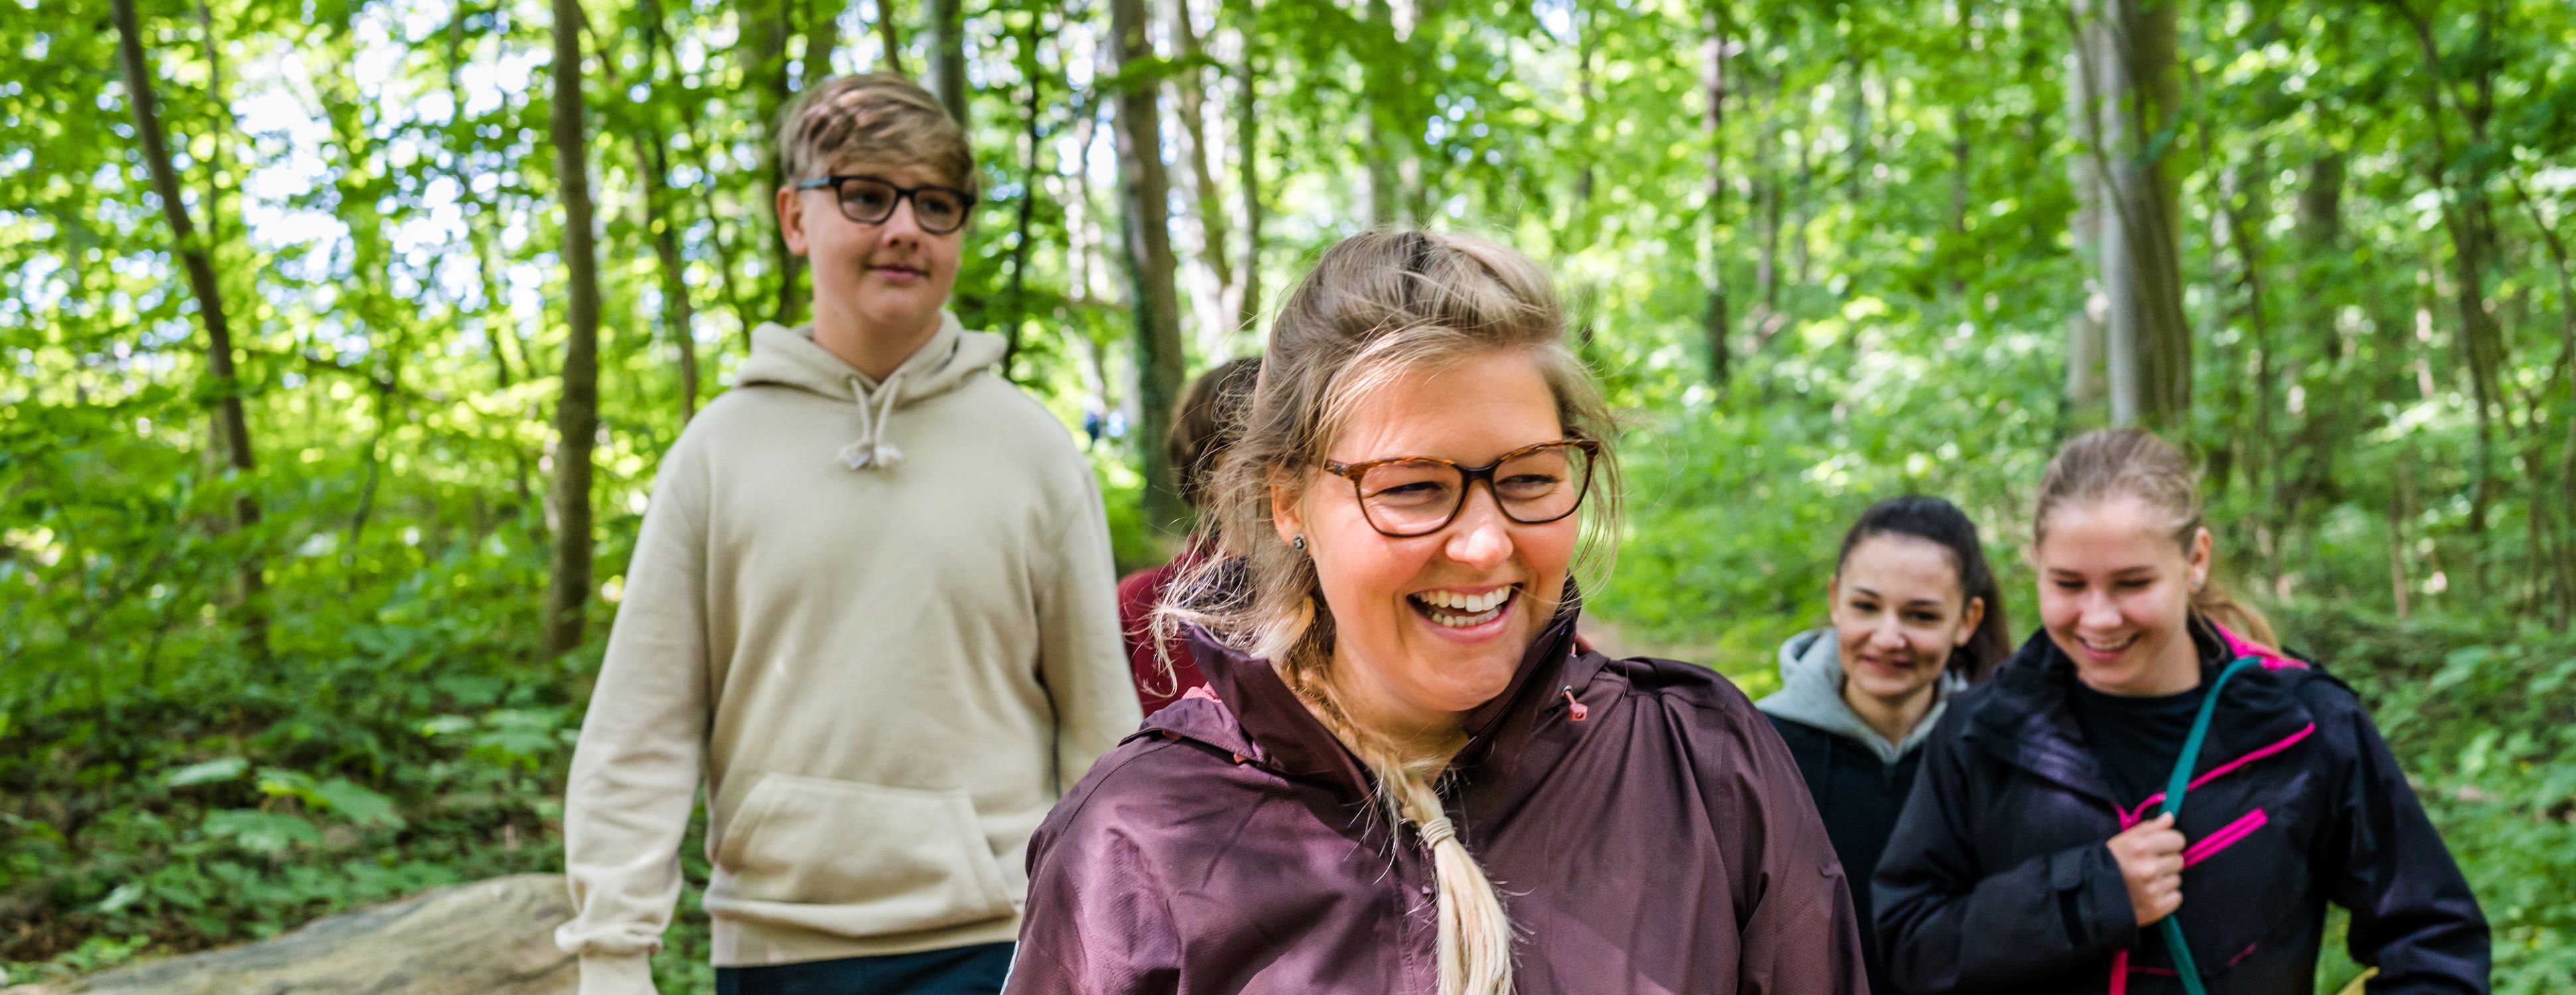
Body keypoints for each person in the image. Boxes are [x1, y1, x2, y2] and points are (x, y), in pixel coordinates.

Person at [1003, 230, 1869, 995]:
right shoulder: (1141, 839)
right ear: (1289, 500)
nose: (1487, 545)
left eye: (1529, 478)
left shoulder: (1703, 770)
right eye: (1415, 488)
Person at [553, 74, 1141, 995]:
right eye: (866, 195)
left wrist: (1111, 938)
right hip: (775, 948)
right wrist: (612, 954)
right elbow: (642, 727)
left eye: (936, 204)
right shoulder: (718, 451)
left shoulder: (1034, 449)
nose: (904, 227)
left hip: (1003, 944)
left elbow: (1101, 733)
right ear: (796, 216)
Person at [1871, 429, 2489, 994]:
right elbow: (1907, 944)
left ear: (2195, 560)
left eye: (2132, 583)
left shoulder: (2306, 726)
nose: (2098, 617)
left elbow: (2436, 945)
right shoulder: (1981, 731)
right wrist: (2090, 895)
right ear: (2034, 559)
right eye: (2068, 584)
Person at [1756, 495, 2011, 995]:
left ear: (1968, 620)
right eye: (1866, 606)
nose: (1888, 637)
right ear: (1835, 599)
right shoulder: (1758, 747)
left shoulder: (1999, 755)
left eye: (1921, 616)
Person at [1116, 356, 1261, 715]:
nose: (1278, 474)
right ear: (1206, 474)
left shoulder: (1345, 592)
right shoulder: (1143, 603)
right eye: (1254, 454)